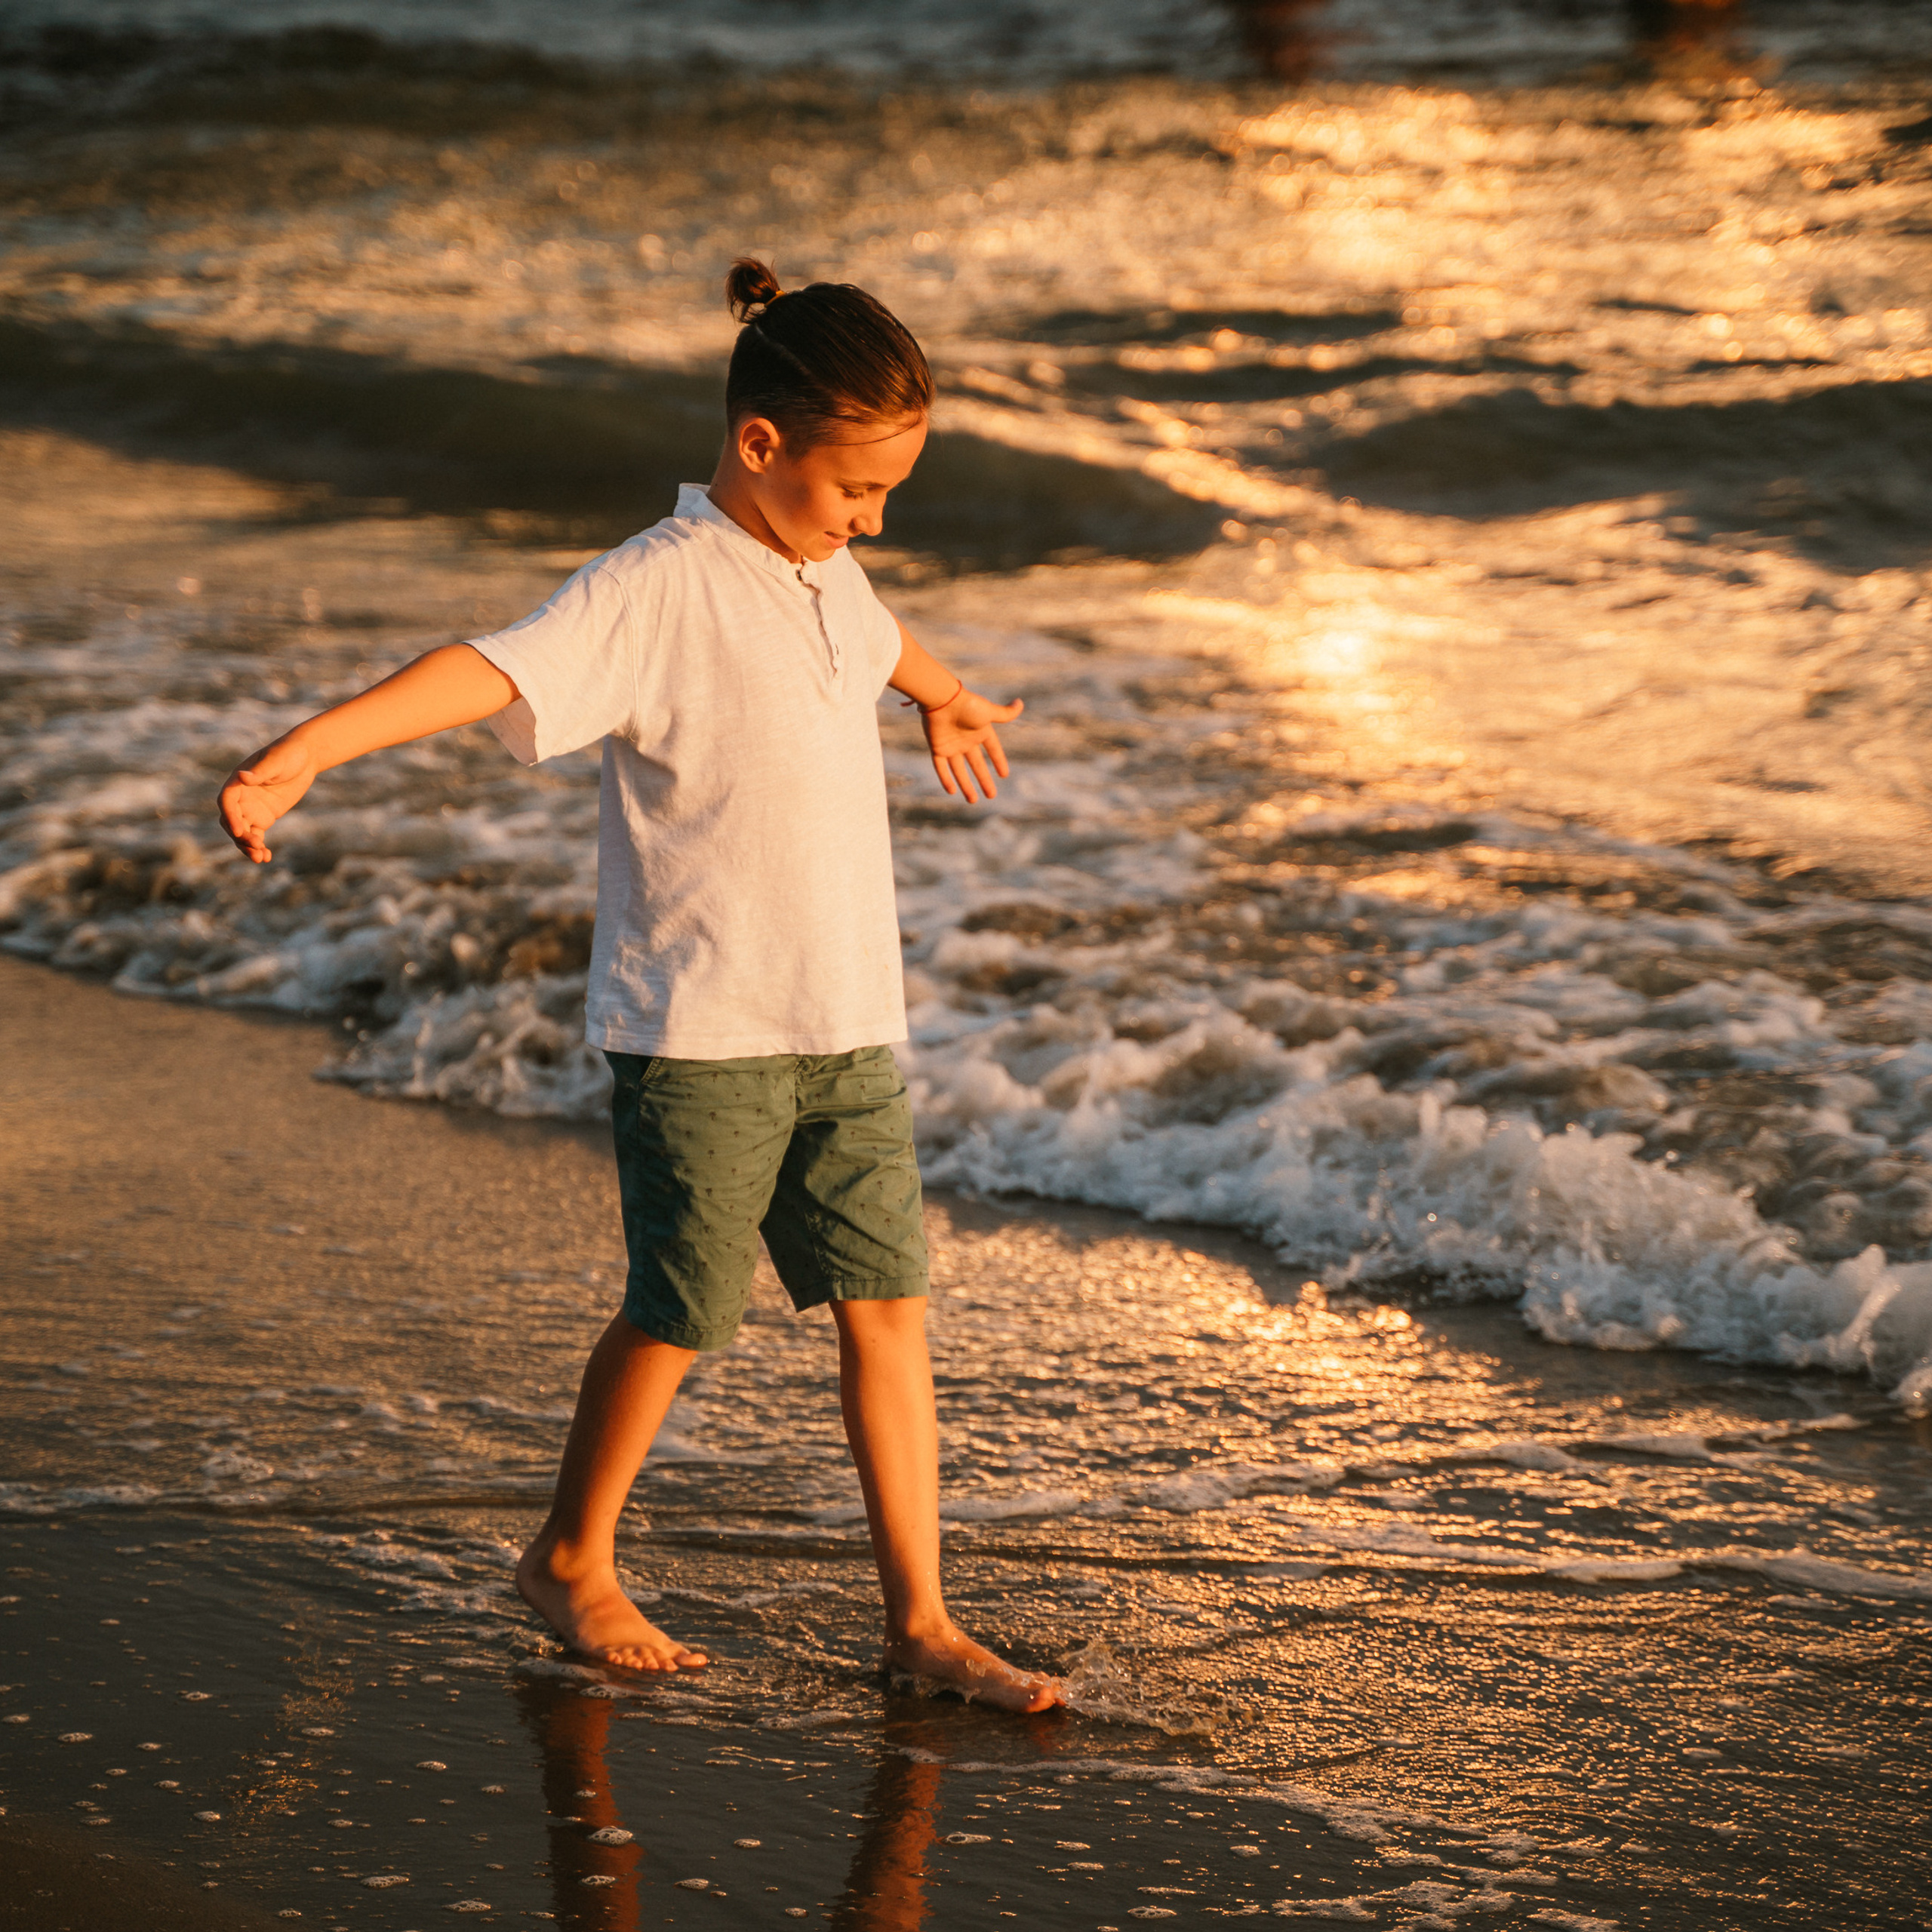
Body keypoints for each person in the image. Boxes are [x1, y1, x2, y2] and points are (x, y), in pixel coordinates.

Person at [217, 258, 1059, 1713]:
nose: (874, 520)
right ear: (760, 444)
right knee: (680, 1311)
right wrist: (305, 751)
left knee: (889, 1309)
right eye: (859, 490)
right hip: (704, 1029)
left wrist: (943, 695)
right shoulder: (657, 586)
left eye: (889, 496)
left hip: (845, 1021)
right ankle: (569, 1559)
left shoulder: (828, 572)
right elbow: (489, 670)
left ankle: (921, 1624)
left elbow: (882, 639)